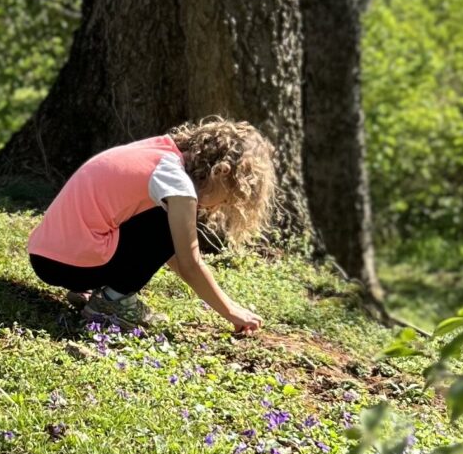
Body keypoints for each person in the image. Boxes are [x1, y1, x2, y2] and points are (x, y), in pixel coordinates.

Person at [26, 117, 276, 335]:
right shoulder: (176, 184)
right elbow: (189, 263)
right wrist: (232, 311)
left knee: (168, 223)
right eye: (226, 199)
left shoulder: (159, 152)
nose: (216, 208)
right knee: (168, 222)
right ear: (221, 172)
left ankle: (93, 290)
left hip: (45, 257)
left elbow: (161, 252)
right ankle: (111, 302)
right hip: (70, 264)